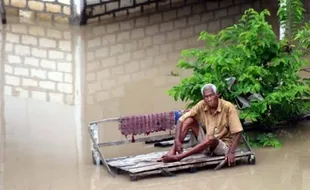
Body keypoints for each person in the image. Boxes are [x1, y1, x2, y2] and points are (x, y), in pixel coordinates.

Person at [159, 83, 244, 167]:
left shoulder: (228, 107)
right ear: (204, 98)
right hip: (206, 141)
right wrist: (177, 140)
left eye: (211, 95)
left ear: (217, 95)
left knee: (210, 138)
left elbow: (238, 132)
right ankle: (172, 152)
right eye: (206, 97)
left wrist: (231, 152)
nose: (209, 99)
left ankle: (179, 157)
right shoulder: (202, 104)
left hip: (222, 145)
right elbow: (180, 120)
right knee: (189, 120)